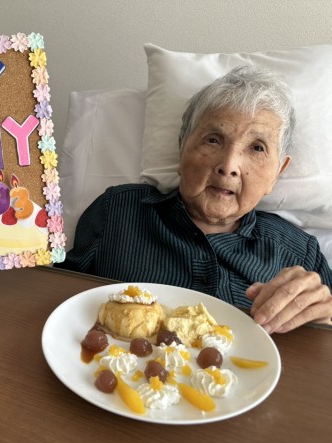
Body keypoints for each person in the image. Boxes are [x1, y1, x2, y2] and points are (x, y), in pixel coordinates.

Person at [58, 65, 332, 333]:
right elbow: (55, 294)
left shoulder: (299, 253)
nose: (229, 166)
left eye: (257, 148)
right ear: (182, 147)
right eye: (213, 140)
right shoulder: (117, 211)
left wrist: (324, 319)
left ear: (277, 173)